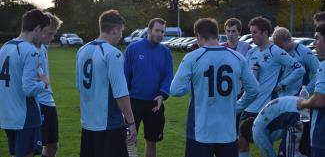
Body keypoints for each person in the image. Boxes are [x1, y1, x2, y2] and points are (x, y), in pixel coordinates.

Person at [170, 17, 259, 157]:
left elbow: (175, 90)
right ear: (217, 35)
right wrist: (238, 106)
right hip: (227, 131)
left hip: (200, 130)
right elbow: (254, 90)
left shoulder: (193, 57)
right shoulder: (237, 57)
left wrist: (194, 83)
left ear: (198, 36)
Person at [239, 16, 305, 157]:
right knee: (242, 142)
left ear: (265, 32)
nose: (252, 35)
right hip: (248, 106)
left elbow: (299, 69)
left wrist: (282, 84)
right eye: (251, 32)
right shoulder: (251, 52)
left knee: (264, 145)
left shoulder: (276, 51)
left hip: (264, 108)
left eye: (255, 32)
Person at [76, 9, 136, 157]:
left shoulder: (82, 50)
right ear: (115, 29)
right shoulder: (112, 53)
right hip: (109, 125)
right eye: (121, 31)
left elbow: (80, 87)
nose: (121, 35)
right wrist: (131, 123)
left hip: (88, 124)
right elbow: (121, 94)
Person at [0, 9, 50, 157]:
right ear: (37, 28)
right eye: (43, 32)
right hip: (25, 114)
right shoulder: (30, 50)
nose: (42, 37)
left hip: (8, 114)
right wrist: (44, 83)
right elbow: (29, 89)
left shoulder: (5, 47)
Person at [124, 18, 173, 157]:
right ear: (149, 30)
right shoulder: (133, 48)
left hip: (154, 103)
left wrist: (162, 95)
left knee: (152, 141)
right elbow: (124, 75)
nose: (160, 34)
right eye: (157, 30)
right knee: (129, 140)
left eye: (163, 32)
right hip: (133, 102)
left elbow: (168, 76)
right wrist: (124, 99)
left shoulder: (165, 52)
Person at [240, 96, 309, 157]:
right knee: (304, 150)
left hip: (295, 114)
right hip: (304, 107)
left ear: (249, 136)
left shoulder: (256, 133)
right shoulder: (261, 122)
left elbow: (269, 153)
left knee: (285, 154)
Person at [35, 12, 63, 157]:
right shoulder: (29, 49)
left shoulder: (43, 47)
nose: (52, 38)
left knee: (53, 145)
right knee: (31, 148)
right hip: (39, 103)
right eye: (50, 33)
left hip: (48, 102)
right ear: (40, 29)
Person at [297, 23, 325, 157]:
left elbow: (319, 100)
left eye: (317, 38)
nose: (314, 43)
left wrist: (302, 103)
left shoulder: (324, 66)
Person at [272, 26, 319, 95]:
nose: (280, 50)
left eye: (281, 46)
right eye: (278, 47)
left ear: (289, 40)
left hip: (296, 98)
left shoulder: (304, 51)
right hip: (278, 97)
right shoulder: (278, 53)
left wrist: (306, 91)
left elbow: (319, 72)